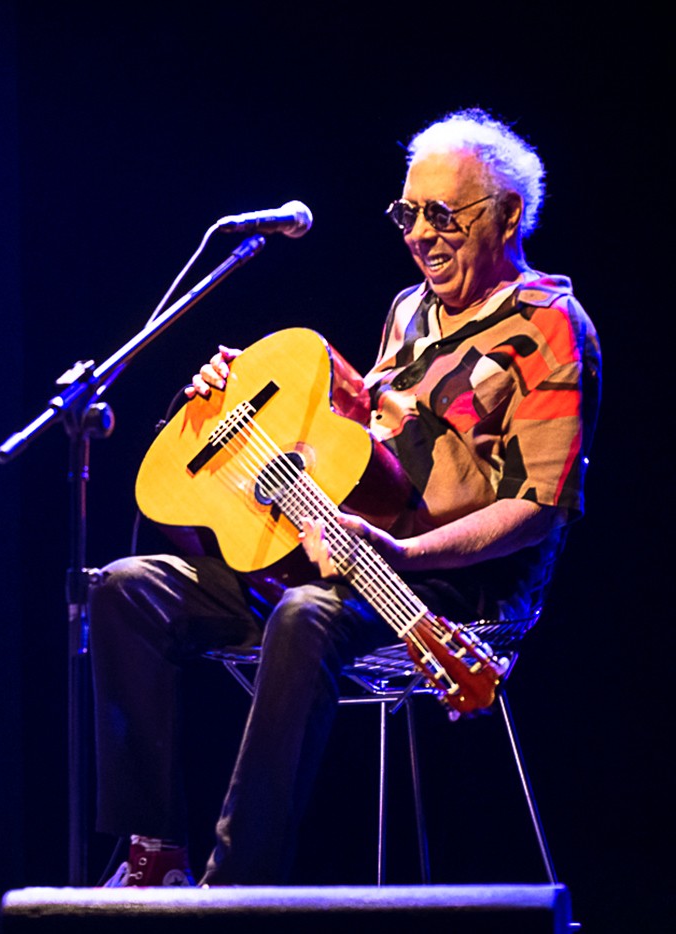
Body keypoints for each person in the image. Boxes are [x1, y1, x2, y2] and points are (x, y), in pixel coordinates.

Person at [91, 109, 601, 886]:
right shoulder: (409, 309)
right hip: (343, 561)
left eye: (442, 214)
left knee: (305, 616)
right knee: (129, 590)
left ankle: (238, 890)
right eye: (407, 213)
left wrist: (405, 551)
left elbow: (537, 510)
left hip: (450, 589)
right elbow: (354, 447)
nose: (419, 234)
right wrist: (232, 409)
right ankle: (153, 852)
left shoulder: (553, 326)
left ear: (507, 216)